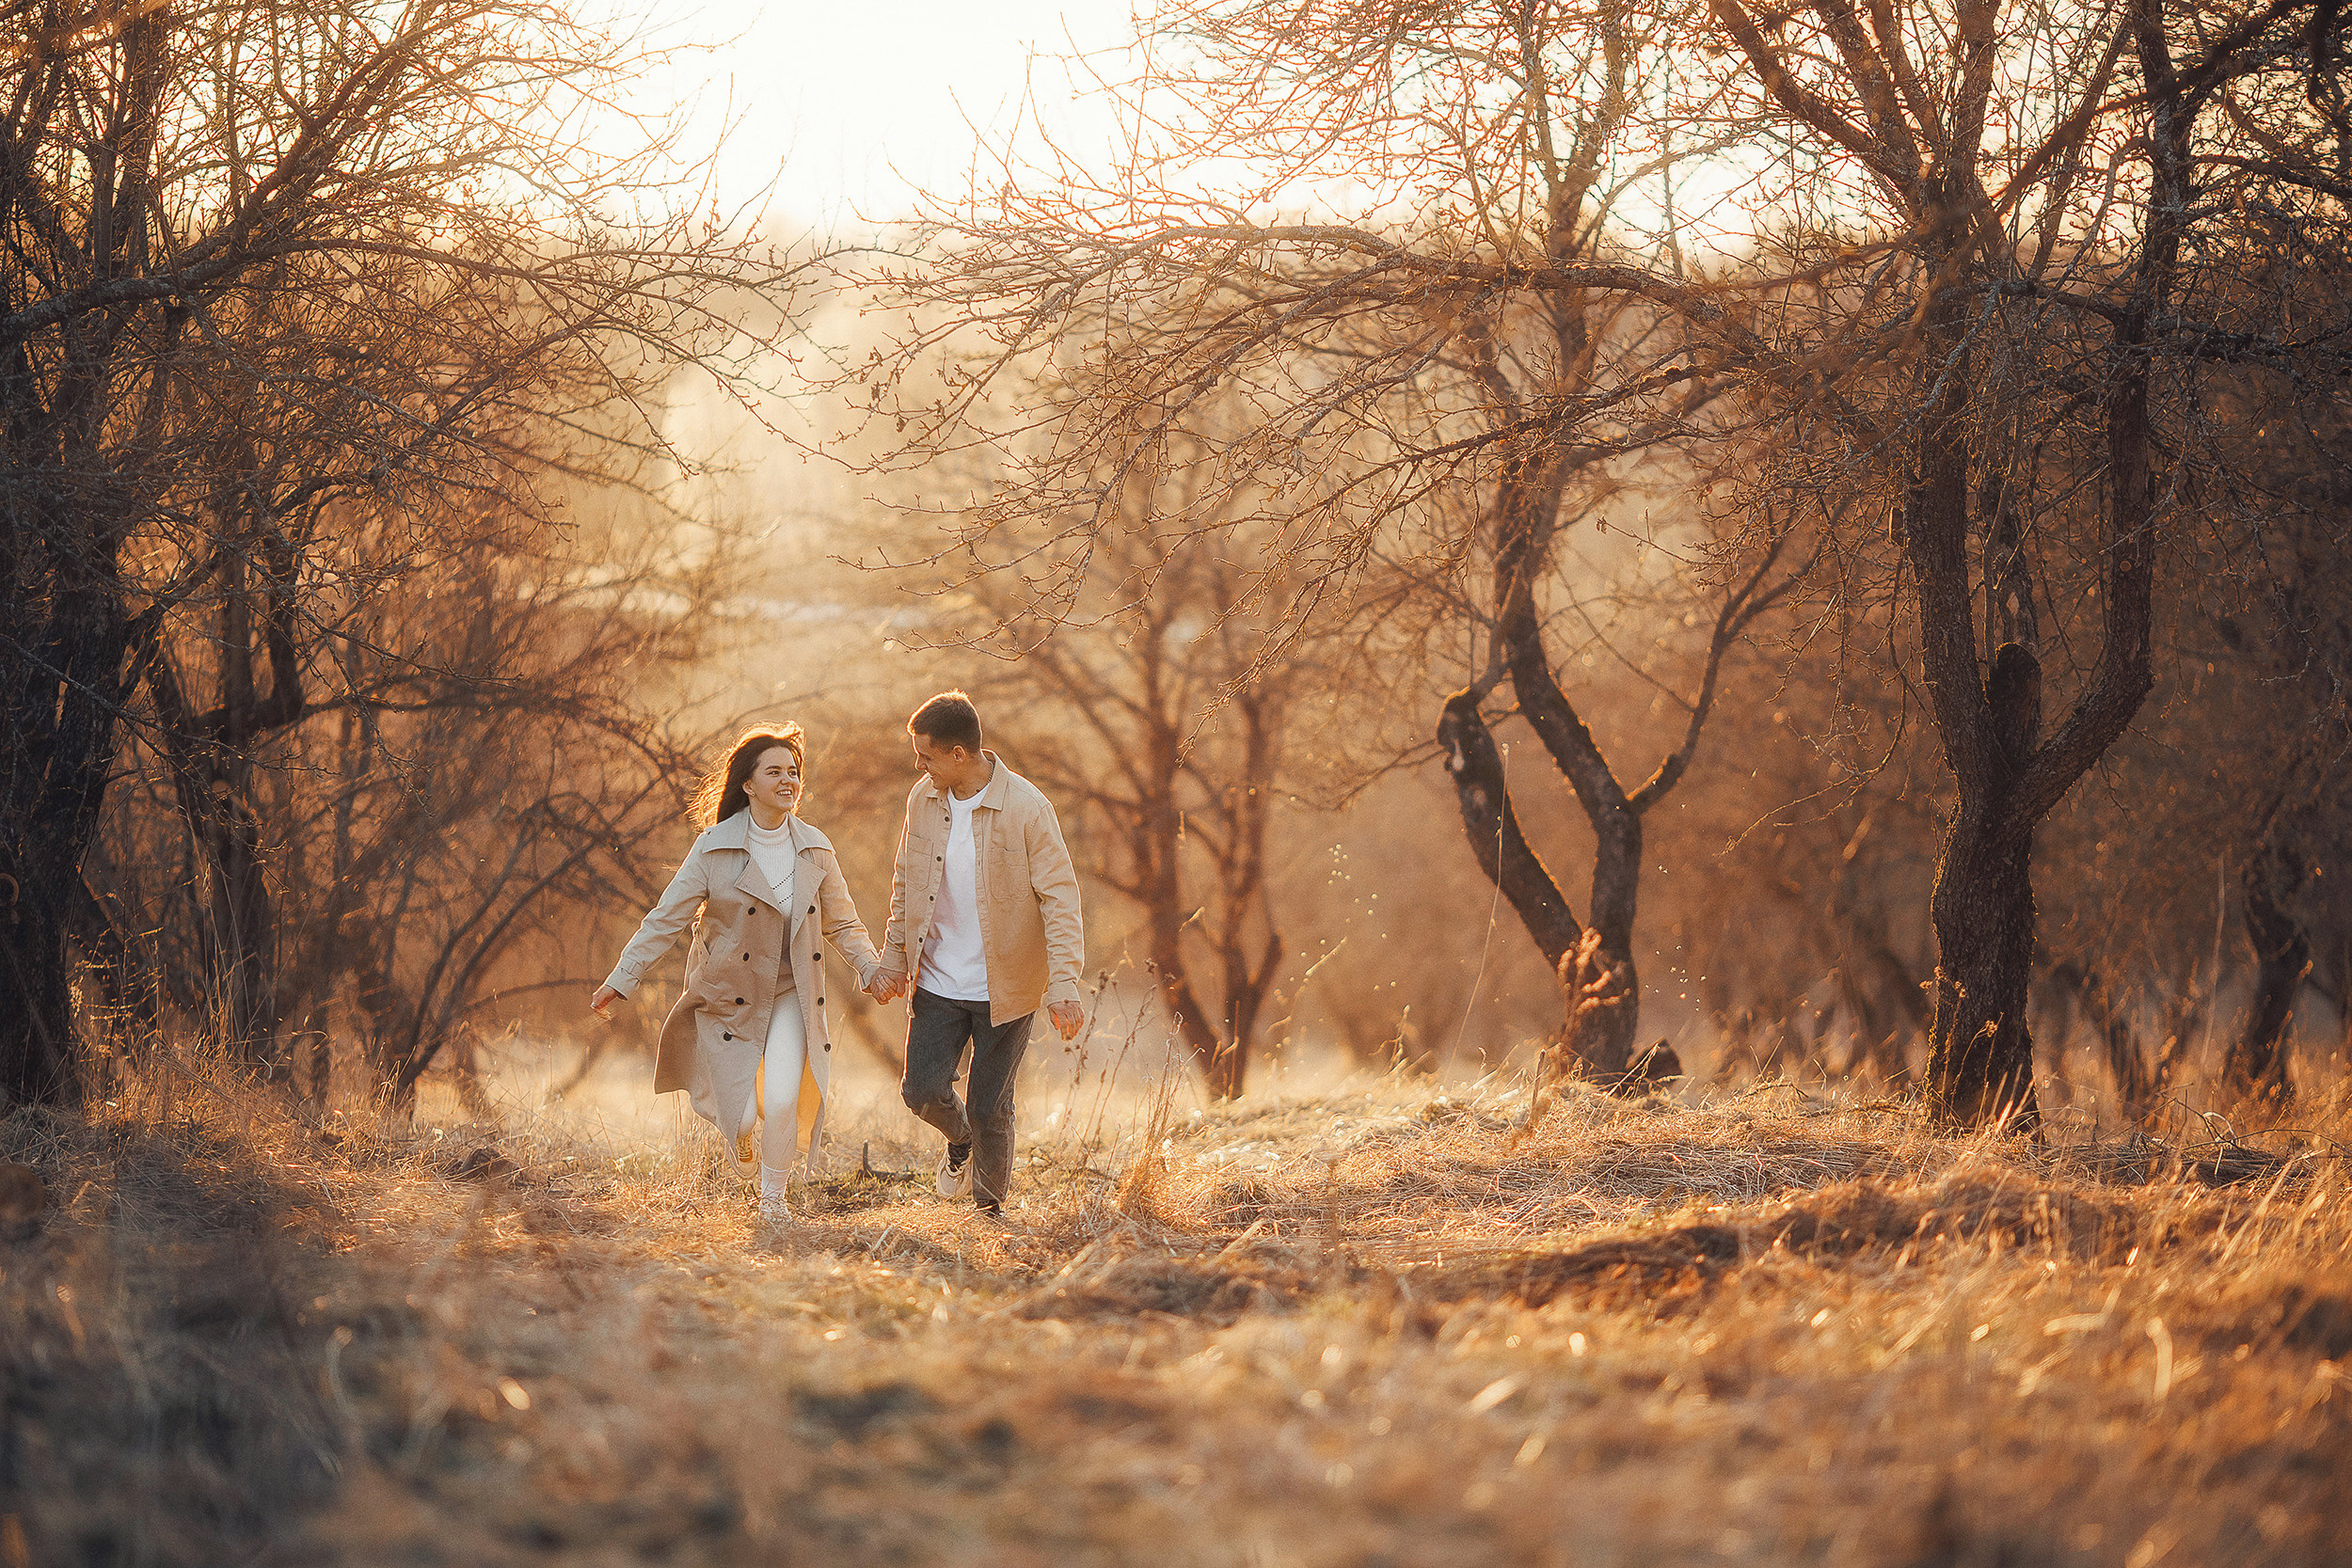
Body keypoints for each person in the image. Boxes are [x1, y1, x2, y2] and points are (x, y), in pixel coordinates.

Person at [590, 725, 891, 1227]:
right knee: (745, 1115)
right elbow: (665, 918)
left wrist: (871, 967)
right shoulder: (714, 848)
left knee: (782, 1097)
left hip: (793, 989)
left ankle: (774, 1201)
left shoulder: (816, 848)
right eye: (774, 772)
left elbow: (843, 922)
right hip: (728, 994)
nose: (788, 781)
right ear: (748, 785)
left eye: (793, 772)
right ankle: (744, 1135)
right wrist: (622, 978)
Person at [870, 692, 1086, 1214]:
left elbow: (1060, 898)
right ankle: (959, 1142)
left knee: (992, 1107)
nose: (918, 766)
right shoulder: (922, 799)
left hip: (1006, 986)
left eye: (926, 756)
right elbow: (905, 880)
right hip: (938, 980)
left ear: (959, 754)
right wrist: (894, 956)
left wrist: (1064, 983)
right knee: (921, 1091)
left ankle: (987, 1214)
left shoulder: (1028, 808)